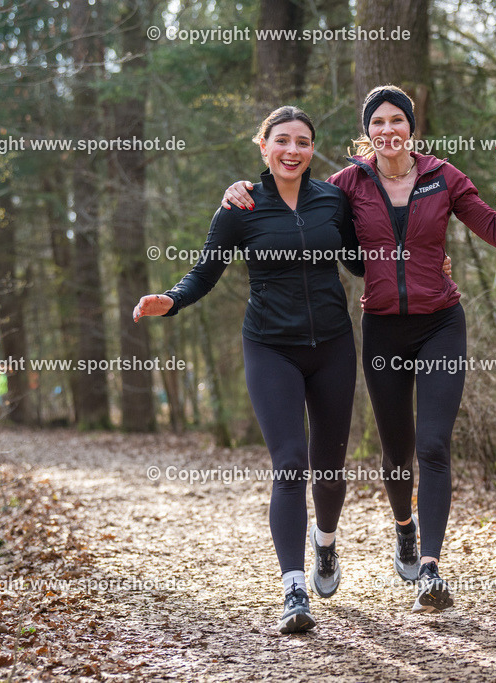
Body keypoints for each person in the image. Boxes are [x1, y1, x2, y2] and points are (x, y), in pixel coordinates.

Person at [224, 85, 496, 613]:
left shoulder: (445, 177)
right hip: (384, 329)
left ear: (412, 127)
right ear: (367, 133)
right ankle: (404, 528)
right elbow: (306, 209)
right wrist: (242, 191)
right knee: (397, 451)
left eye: (398, 121)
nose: (388, 131)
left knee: (434, 445)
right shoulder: (347, 186)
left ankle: (430, 569)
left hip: (441, 325)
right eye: (378, 123)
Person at [134, 106, 364, 634]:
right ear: (263, 146)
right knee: (290, 464)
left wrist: (420, 261)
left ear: (312, 150)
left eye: (303, 142)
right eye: (281, 140)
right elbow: (206, 270)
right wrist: (170, 299)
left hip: (332, 345)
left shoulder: (333, 199)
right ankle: (293, 588)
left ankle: (324, 544)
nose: (292, 150)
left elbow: (359, 260)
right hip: (270, 348)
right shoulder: (240, 206)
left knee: (329, 473)